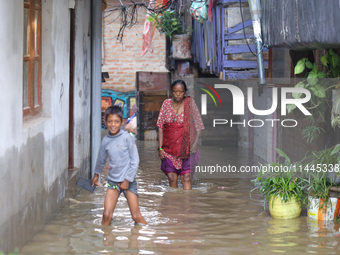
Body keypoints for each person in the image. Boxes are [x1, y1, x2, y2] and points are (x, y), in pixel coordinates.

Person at [92, 105, 147, 226]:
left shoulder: (127, 138)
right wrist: (96, 175)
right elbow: (101, 160)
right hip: (113, 182)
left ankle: (149, 234)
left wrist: (127, 180)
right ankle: (106, 242)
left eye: (116, 121)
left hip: (129, 182)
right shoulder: (105, 140)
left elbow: (135, 161)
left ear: (122, 122)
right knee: (106, 215)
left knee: (136, 216)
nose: (113, 124)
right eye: (110, 121)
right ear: (105, 121)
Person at [156, 80, 205, 190]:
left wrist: (195, 143)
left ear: (185, 92)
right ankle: (174, 204)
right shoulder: (166, 104)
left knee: (186, 178)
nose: (178, 94)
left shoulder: (190, 104)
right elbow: (160, 127)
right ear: (171, 92)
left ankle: (187, 205)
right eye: (175, 91)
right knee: (172, 178)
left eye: (181, 92)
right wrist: (160, 148)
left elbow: (199, 126)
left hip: (187, 149)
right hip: (169, 150)